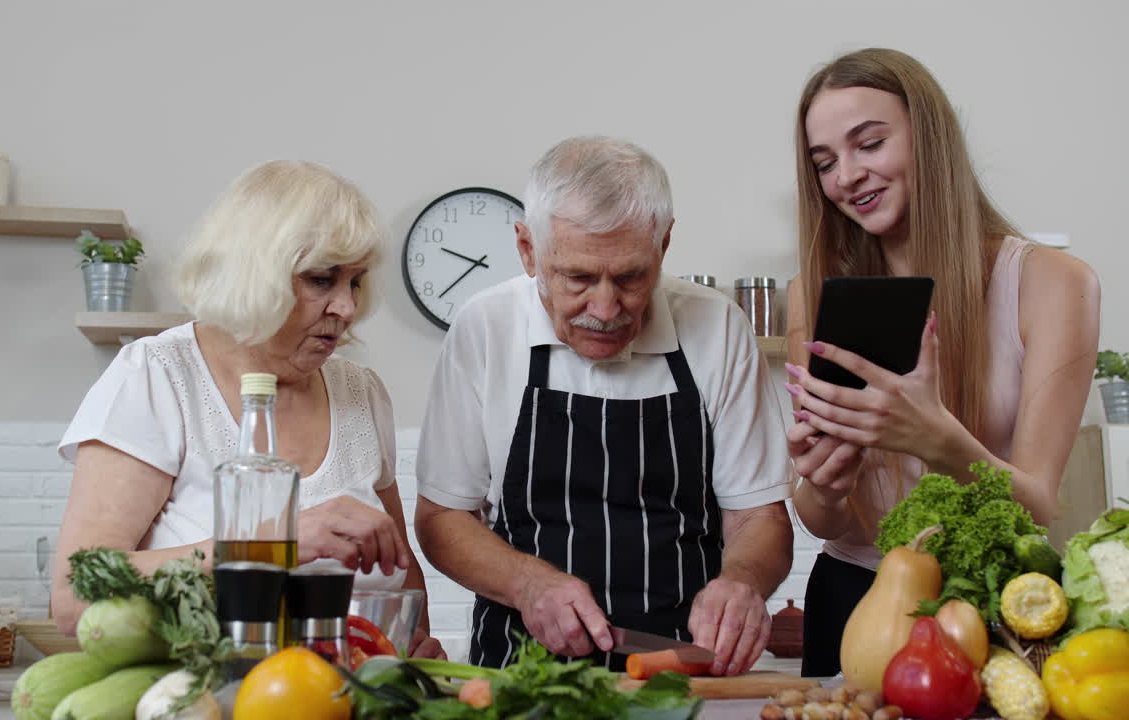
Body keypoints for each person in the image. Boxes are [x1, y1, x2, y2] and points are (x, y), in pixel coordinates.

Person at [414, 136, 794, 675]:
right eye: (579, 278)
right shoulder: (485, 326)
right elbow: (441, 518)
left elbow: (759, 516)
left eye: (631, 276)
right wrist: (527, 583)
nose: (606, 307)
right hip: (520, 675)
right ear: (528, 251)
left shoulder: (718, 327)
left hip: (680, 674)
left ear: (663, 246)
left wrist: (742, 583)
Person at [784, 48, 1101, 677]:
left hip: (989, 604)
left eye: (868, 143)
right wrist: (824, 482)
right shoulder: (812, 292)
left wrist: (937, 440)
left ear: (928, 134)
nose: (846, 176)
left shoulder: (1051, 282)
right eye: (825, 162)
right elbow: (824, 522)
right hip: (852, 598)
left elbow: (1036, 508)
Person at [51, 160, 444, 659]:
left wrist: (414, 656)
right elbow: (75, 596)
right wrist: (274, 546)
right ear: (255, 274)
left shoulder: (360, 391)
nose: (346, 307)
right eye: (322, 280)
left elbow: (398, 567)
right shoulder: (158, 375)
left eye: (356, 283)